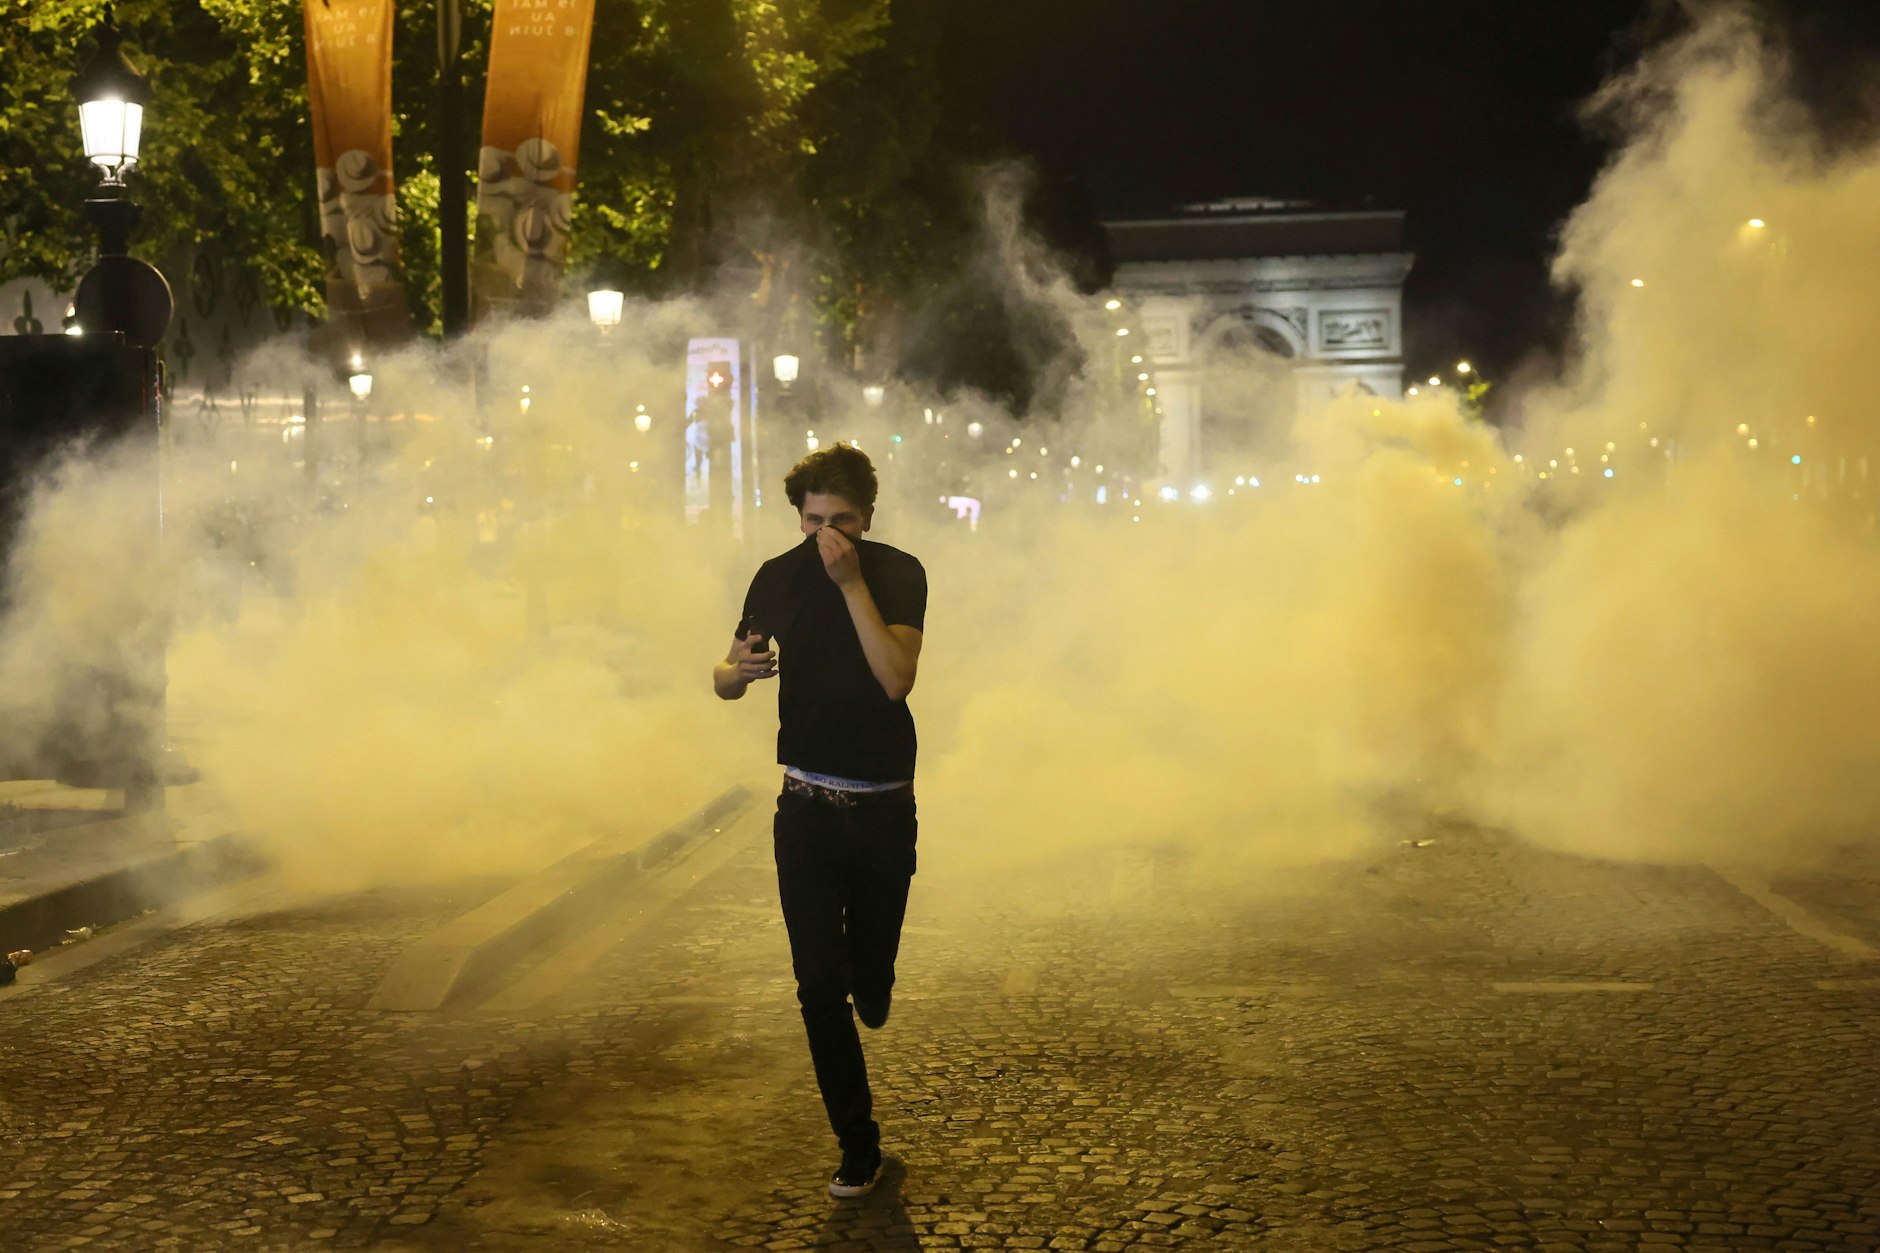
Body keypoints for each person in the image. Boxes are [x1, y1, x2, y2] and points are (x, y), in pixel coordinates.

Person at [713, 442, 927, 1200]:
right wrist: (732, 675)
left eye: (841, 520)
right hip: (803, 806)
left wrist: (850, 586)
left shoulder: (896, 571)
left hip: (881, 811)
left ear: (866, 517)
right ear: (797, 517)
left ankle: (876, 977)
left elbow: (896, 677)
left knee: (868, 972)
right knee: (815, 985)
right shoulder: (777, 576)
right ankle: (857, 1143)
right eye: (813, 521)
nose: (826, 536)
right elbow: (725, 675)